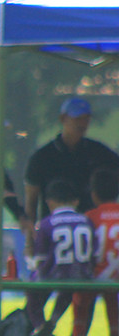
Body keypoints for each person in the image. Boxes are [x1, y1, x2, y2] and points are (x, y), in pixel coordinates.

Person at [25, 179, 97, 336]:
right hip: (83, 275)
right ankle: (54, 320)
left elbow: (40, 258)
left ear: (49, 202)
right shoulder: (86, 220)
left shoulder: (47, 223)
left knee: (32, 289)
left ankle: (43, 328)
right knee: (69, 290)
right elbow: (94, 254)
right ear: (76, 201)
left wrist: (37, 271)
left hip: (55, 274)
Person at [24, 97, 119, 235]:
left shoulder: (100, 153)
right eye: (78, 118)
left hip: (92, 232)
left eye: (86, 119)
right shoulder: (42, 157)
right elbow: (31, 202)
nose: (83, 123)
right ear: (63, 118)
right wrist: (30, 239)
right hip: (54, 233)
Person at [86, 168, 119, 336]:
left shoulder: (90, 216)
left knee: (81, 300)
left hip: (94, 275)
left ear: (93, 193)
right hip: (116, 276)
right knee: (114, 306)